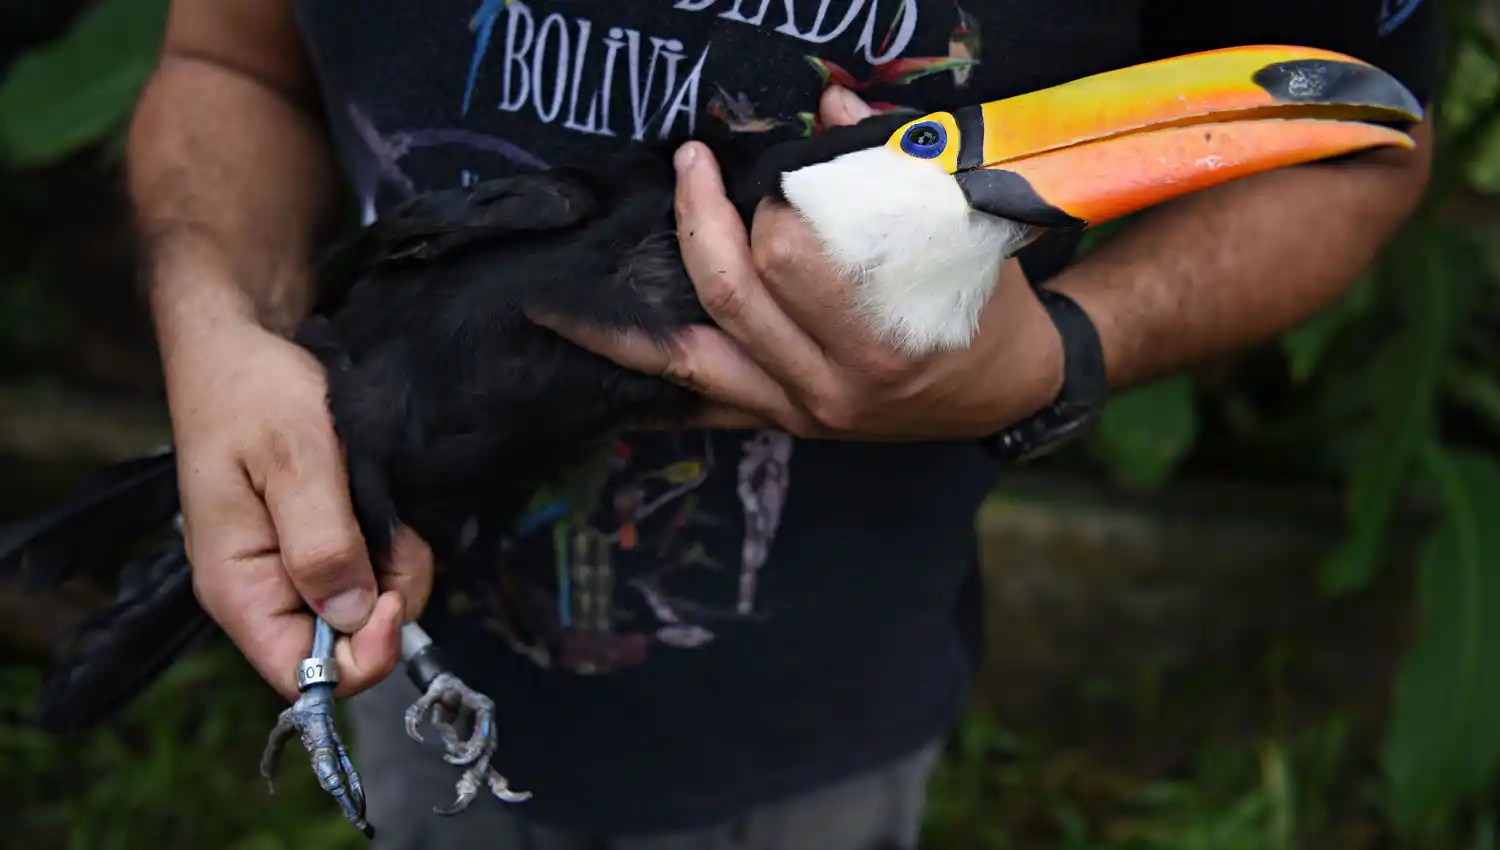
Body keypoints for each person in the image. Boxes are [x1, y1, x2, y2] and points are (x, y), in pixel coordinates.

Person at [125, 0, 1440, 847]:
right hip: (413, 655)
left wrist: (1072, 347)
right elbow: (228, 58)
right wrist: (216, 324)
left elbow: (1357, 130)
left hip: (820, 715)